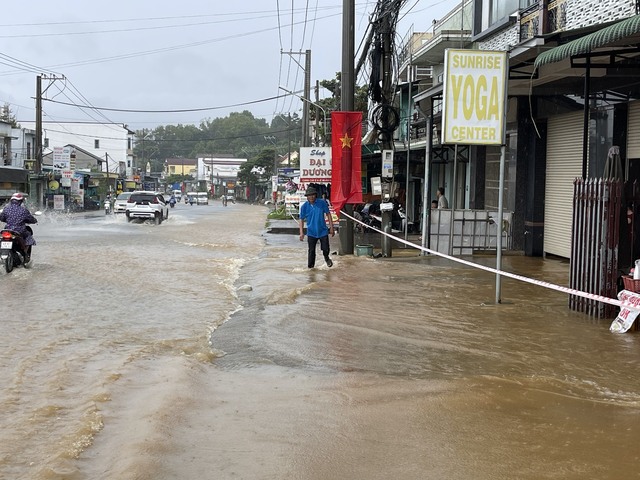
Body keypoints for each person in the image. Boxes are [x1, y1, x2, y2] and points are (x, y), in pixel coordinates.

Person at [299, 186, 335, 268]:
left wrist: (331, 228)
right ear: (307, 197)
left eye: (313, 195)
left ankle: (326, 258)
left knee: (325, 249)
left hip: (323, 231)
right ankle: (311, 268)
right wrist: (301, 233)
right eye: (309, 195)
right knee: (311, 251)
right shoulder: (304, 207)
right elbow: (301, 219)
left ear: (315, 195)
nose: (311, 197)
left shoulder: (321, 203)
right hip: (311, 232)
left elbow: (328, 214)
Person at [0, 192, 37, 262]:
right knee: (29, 236)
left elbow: (2, 218)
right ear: (20, 201)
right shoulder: (23, 210)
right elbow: (31, 219)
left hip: (7, 230)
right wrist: (34, 221)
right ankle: (26, 256)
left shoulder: (6, 209)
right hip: (20, 230)